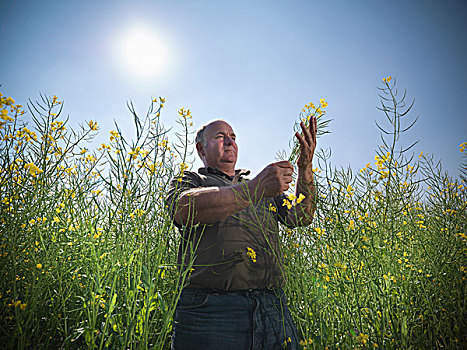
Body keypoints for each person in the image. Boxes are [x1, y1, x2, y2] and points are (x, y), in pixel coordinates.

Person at [166, 116, 317, 350]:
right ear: (200, 148)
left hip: (273, 308)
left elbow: (302, 216)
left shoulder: (262, 187)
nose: (229, 141)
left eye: (233, 137)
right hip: (211, 312)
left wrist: (305, 168)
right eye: (219, 136)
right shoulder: (193, 180)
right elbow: (184, 209)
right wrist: (255, 189)